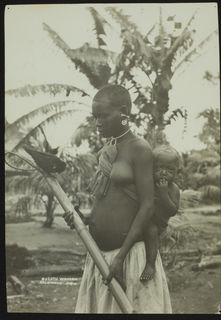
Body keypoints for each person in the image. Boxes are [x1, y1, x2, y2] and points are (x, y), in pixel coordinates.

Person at [63, 84, 172, 313]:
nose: (98, 122)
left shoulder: (139, 148)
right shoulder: (108, 150)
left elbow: (147, 205)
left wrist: (120, 258)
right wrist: (80, 218)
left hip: (130, 258)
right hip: (100, 258)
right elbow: (107, 201)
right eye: (95, 117)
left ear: (123, 112)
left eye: (103, 116)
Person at [140, 145, 180, 281]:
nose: (164, 173)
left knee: (151, 231)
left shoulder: (173, 189)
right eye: (159, 168)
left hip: (158, 223)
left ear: (176, 172)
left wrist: (163, 194)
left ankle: (150, 265)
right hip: (142, 218)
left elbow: (173, 210)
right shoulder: (148, 183)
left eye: (170, 170)